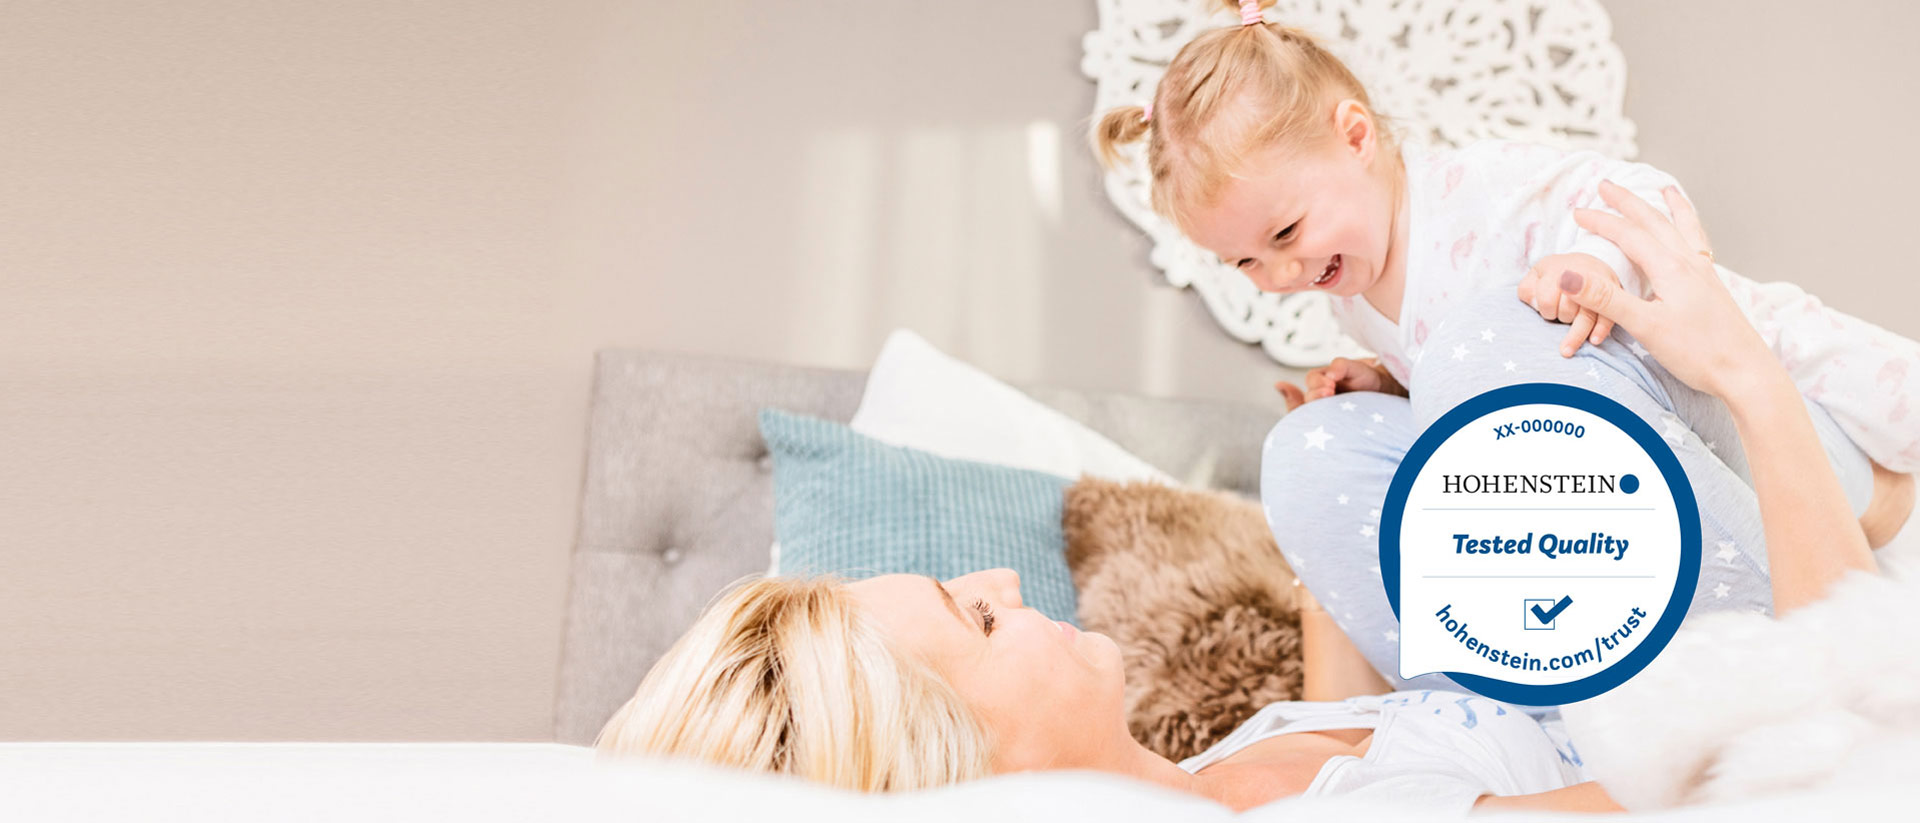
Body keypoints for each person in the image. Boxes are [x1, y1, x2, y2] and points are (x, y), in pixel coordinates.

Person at [1089, 0, 1920, 476]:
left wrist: (1592, 260)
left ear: (1355, 138)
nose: (1280, 272)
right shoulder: (1354, 301)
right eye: (1244, 261)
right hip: (1673, 446)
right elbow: (1476, 374)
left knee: (1889, 403)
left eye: (1285, 231)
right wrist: (1386, 382)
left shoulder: (1468, 190)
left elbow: (1637, 189)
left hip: (1746, 355)